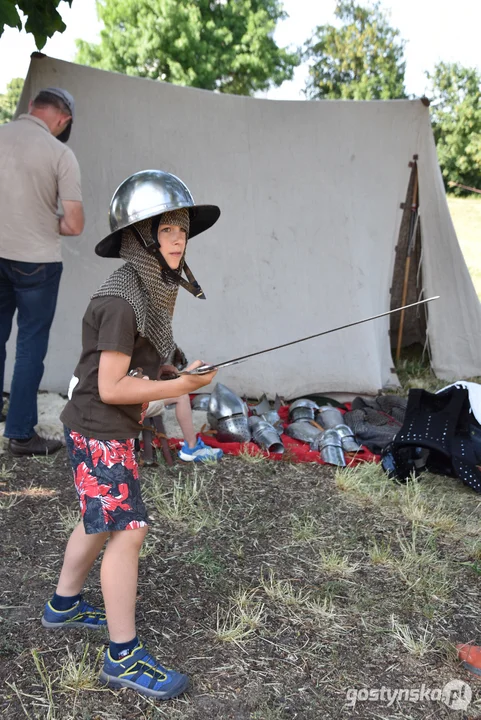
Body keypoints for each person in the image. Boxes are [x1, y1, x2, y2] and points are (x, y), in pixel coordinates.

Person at [41, 169, 221, 700]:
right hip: (99, 428)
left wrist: (171, 374)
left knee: (99, 520)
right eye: (164, 230)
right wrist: (180, 387)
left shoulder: (149, 289)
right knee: (127, 529)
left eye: (182, 230)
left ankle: (64, 604)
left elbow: (141, 369)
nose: (177, 240)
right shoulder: (121, 299)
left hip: (106, 427)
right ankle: (123, 656)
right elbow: (113, 386)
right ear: (138, 239)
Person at [0, 87, 84, 456]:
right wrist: (46, 219)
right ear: (63, 119)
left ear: (32, 107)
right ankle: (19, 434)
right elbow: (75, 224)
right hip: (37, 262)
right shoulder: (60, 153)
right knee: (30, 347)